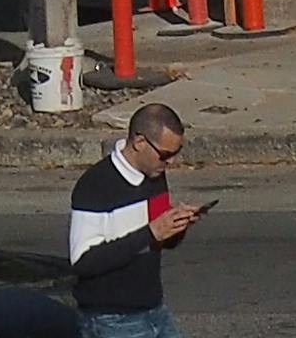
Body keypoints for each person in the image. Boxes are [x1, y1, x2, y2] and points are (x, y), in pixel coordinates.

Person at [67, 100, 202, 338]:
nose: (170, 162)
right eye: (165, 154)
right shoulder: (95, 185)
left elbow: (161, 240)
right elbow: (83, 261)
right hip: (112, 319)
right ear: (140, 142)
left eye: (175, 153)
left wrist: (177, 226)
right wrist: (151, 233)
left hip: (154, 309)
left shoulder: (155, 174)